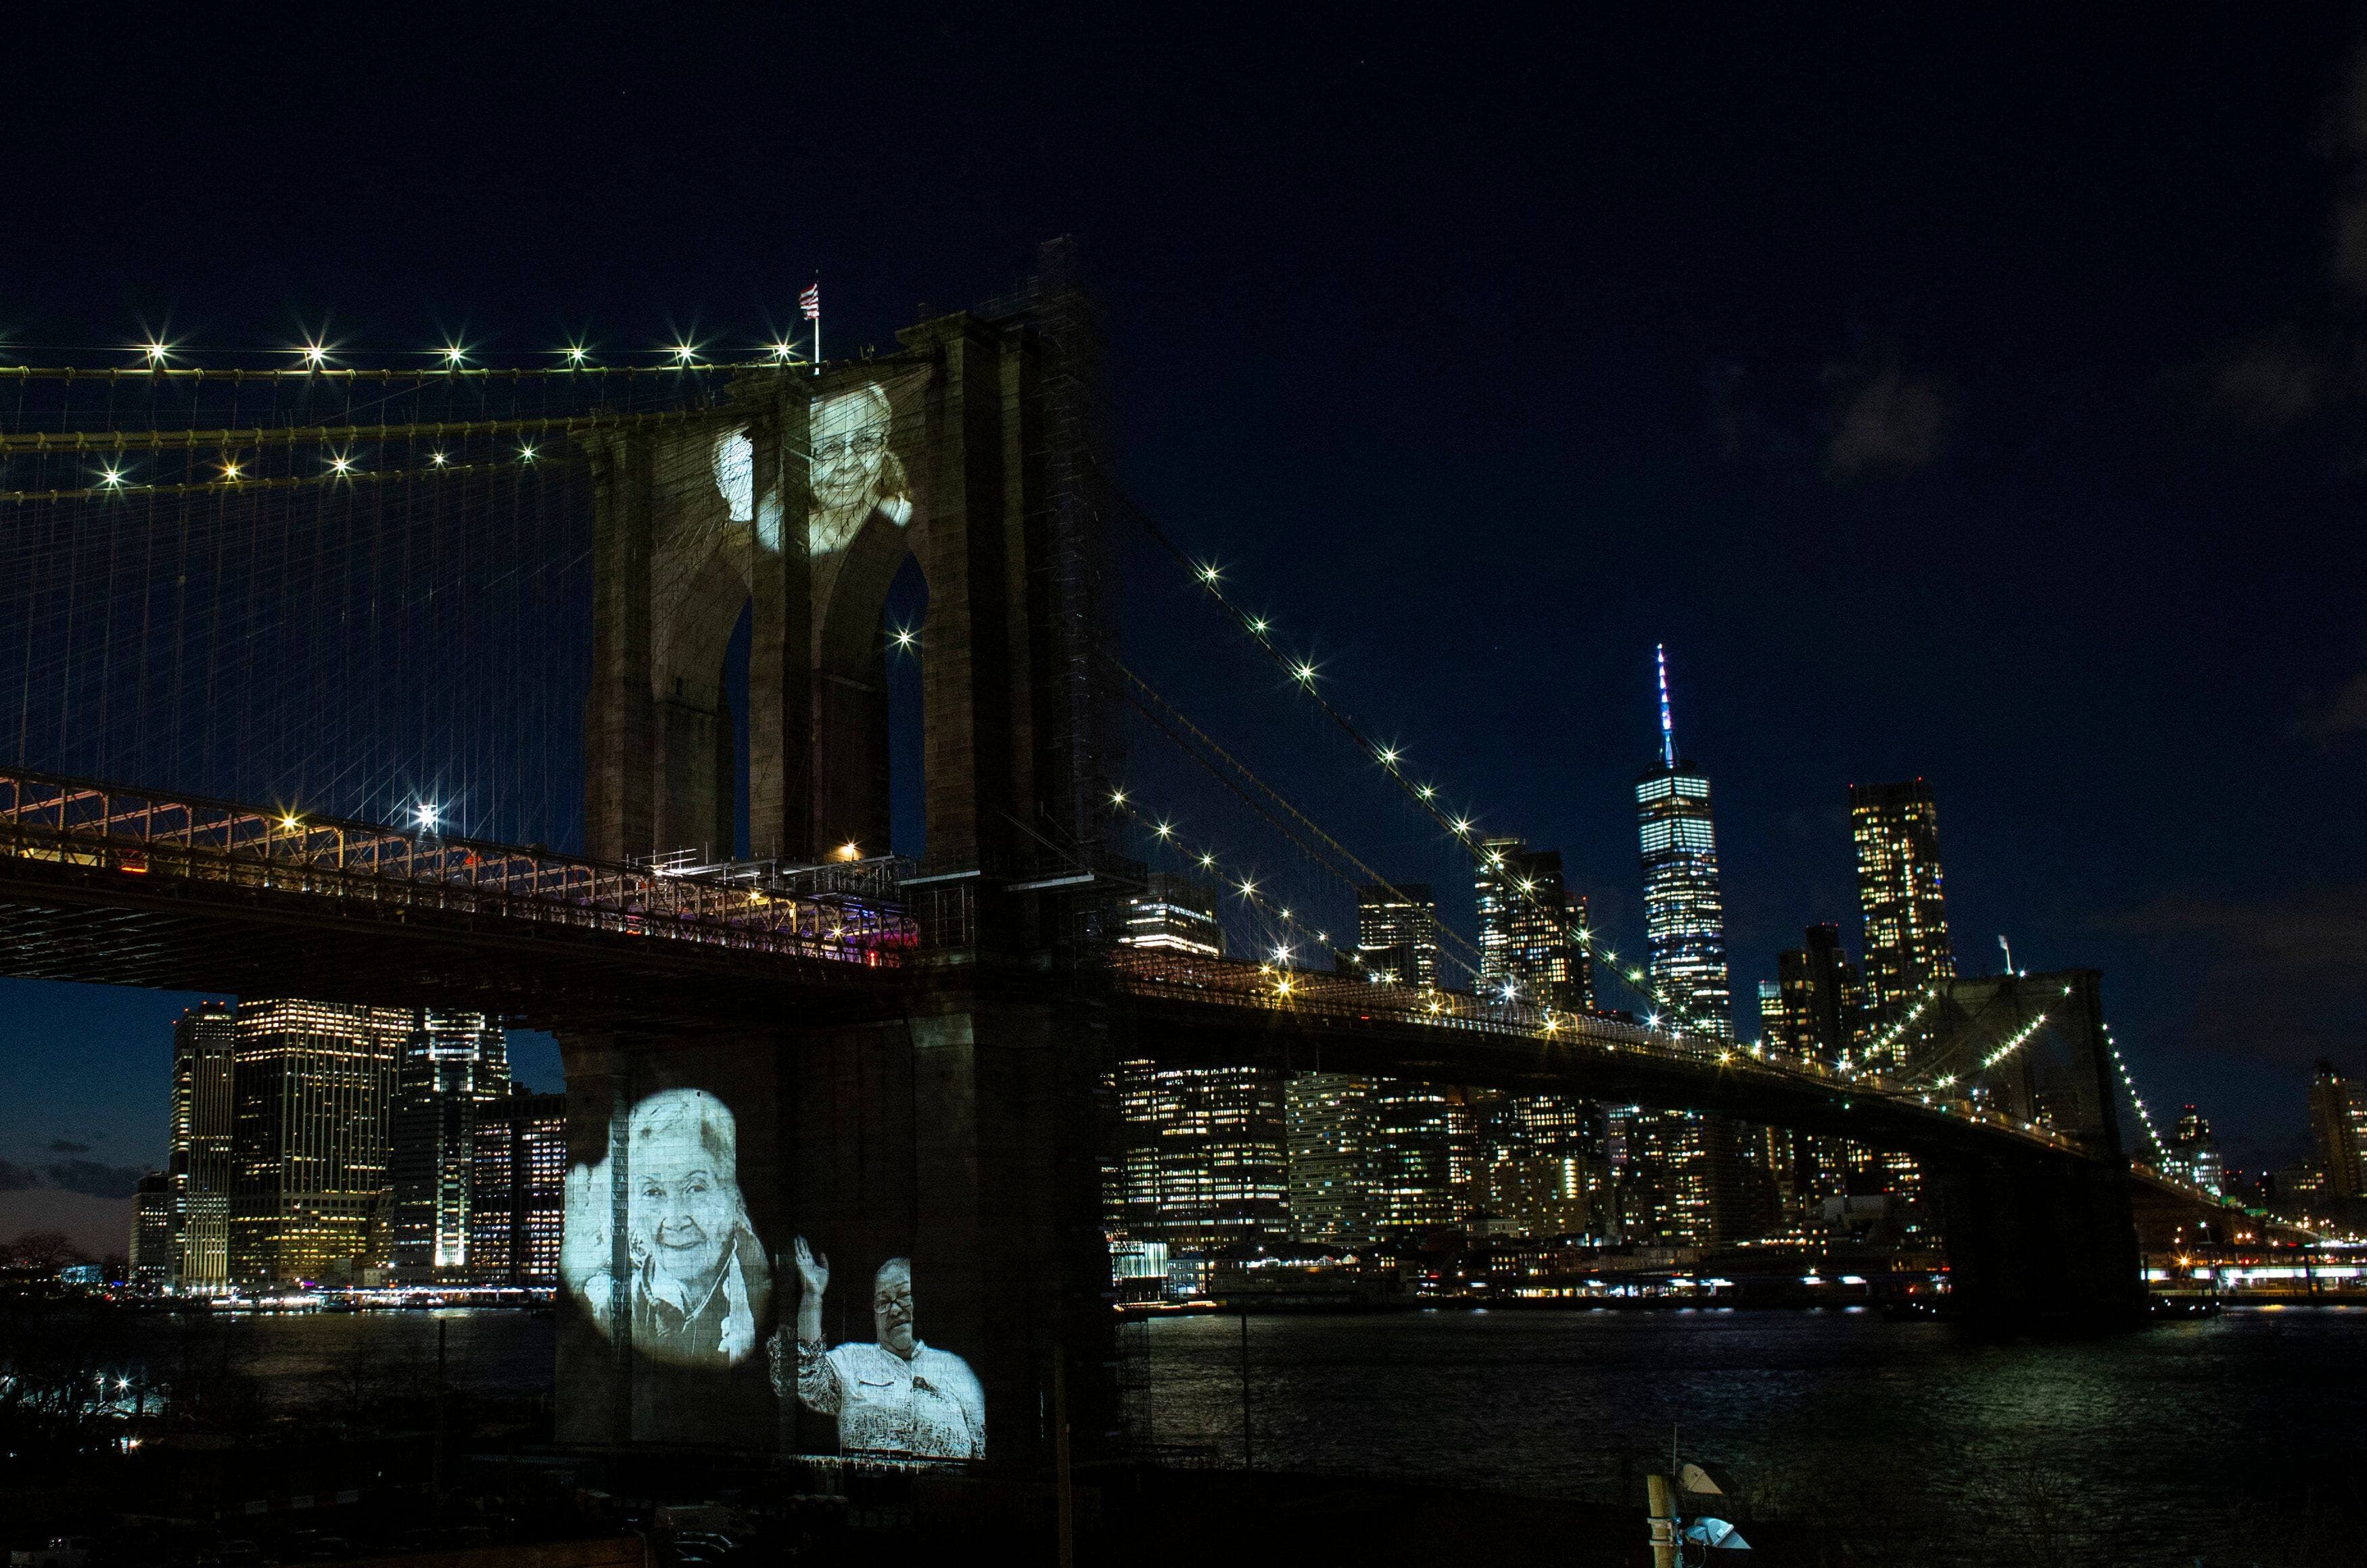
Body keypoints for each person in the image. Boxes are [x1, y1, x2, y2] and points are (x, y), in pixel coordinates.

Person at [561, 1088, 769, 1369]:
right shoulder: (619, 1305)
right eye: (653, 1192)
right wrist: (577, 1284)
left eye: (695, 1188)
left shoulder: (763, 1287)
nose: (674, 1220)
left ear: (729, 1194)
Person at [769, 1237, 984, 1459]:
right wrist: (812, 1297)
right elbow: (801, 1378)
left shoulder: (955, 1369)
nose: (894, 1310)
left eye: (903, 1297)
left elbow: (983, 1446)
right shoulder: (851, 1360)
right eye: (883, 1303)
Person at [805, 382, 910, 556]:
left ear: (883, 447)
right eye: (830, 448)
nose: (848, 463)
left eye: (865, 441)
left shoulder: (906, 517)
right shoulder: (791, 537)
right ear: (806, 461)